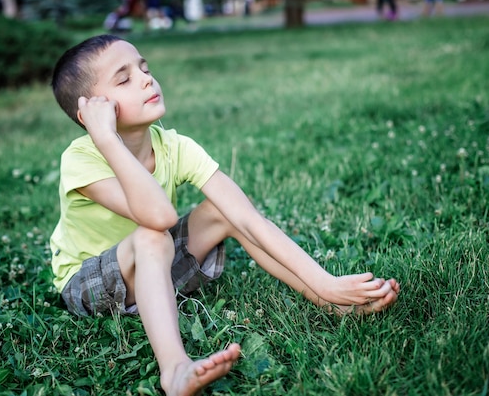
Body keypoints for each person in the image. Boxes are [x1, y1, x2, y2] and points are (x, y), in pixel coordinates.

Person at [49, 34, 401, 396]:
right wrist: (105, 137)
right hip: (89, 285)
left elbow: (248, 218)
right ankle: (175, 370)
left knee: (221, 211)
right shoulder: (82, 159)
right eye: (123, 79)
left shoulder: (174, 146)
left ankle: (326, 302)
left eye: (144, 68)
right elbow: (159, 216)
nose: (146, 79)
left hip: (155, 270)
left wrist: (326, 282)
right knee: (151, 236)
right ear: (91, 111)